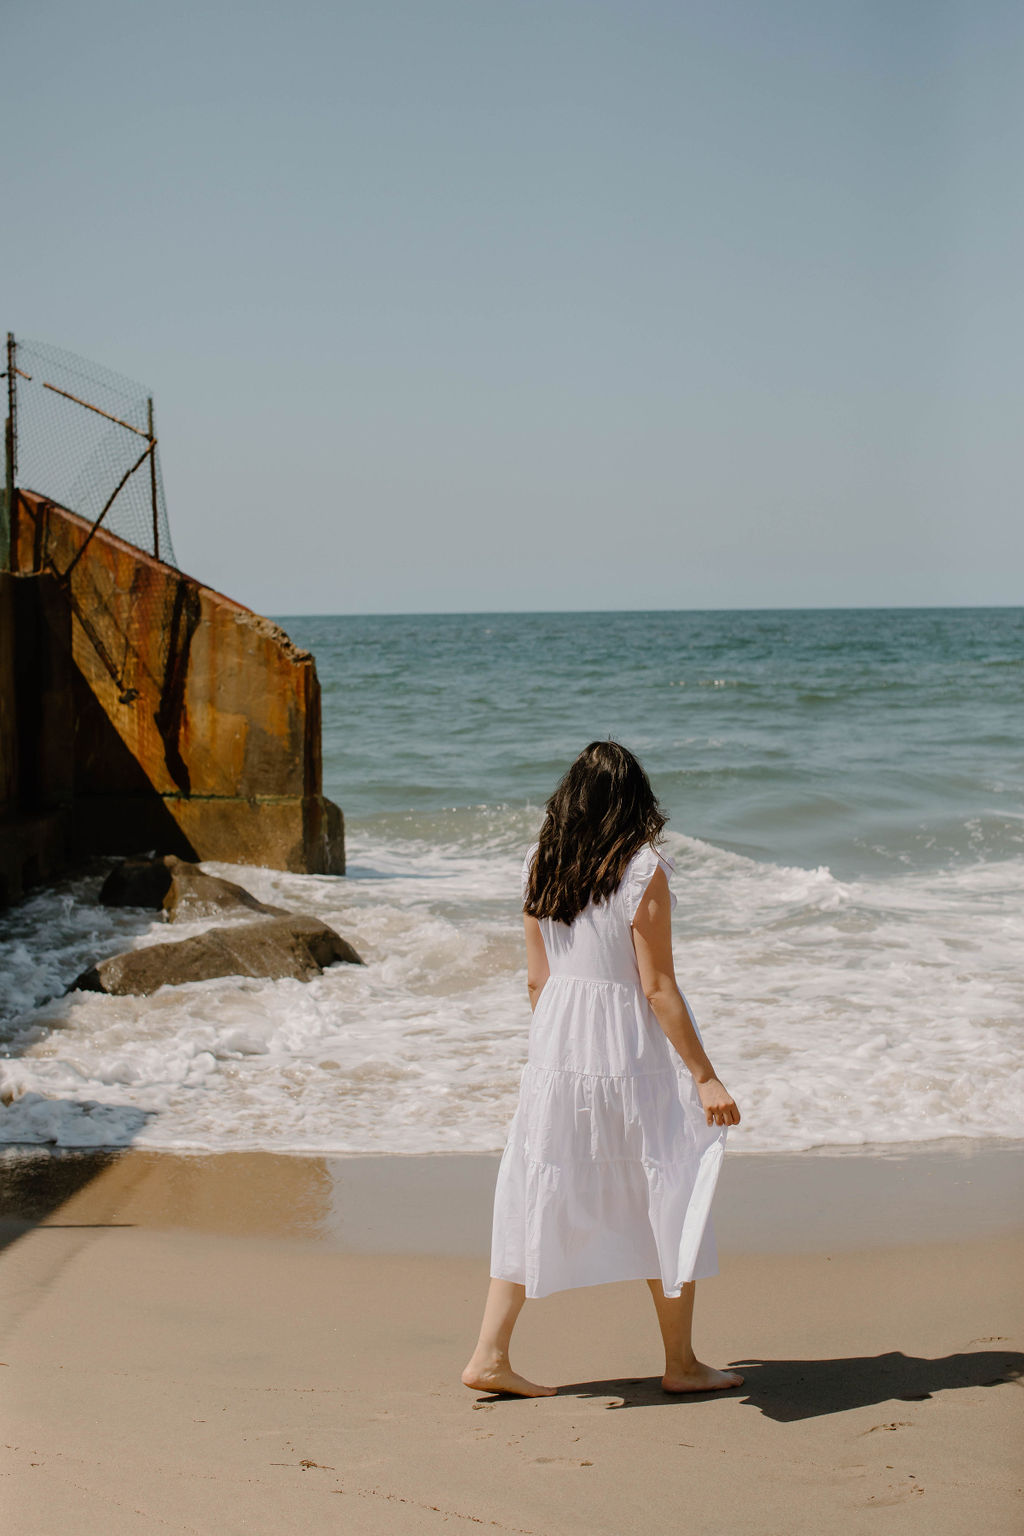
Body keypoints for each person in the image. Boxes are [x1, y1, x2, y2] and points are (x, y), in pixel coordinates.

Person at [462, 740, 743, 1398]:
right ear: (634, 801)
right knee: (665, 1184)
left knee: (538, 1186)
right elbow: (657, 988)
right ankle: (680, 1362)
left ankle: (489, 1355)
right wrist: (705, 1075)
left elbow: (537, 980)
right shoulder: (642, 869)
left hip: (558, 1048)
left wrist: (556, 1052)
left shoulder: (541, 862)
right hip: (627, 1049)